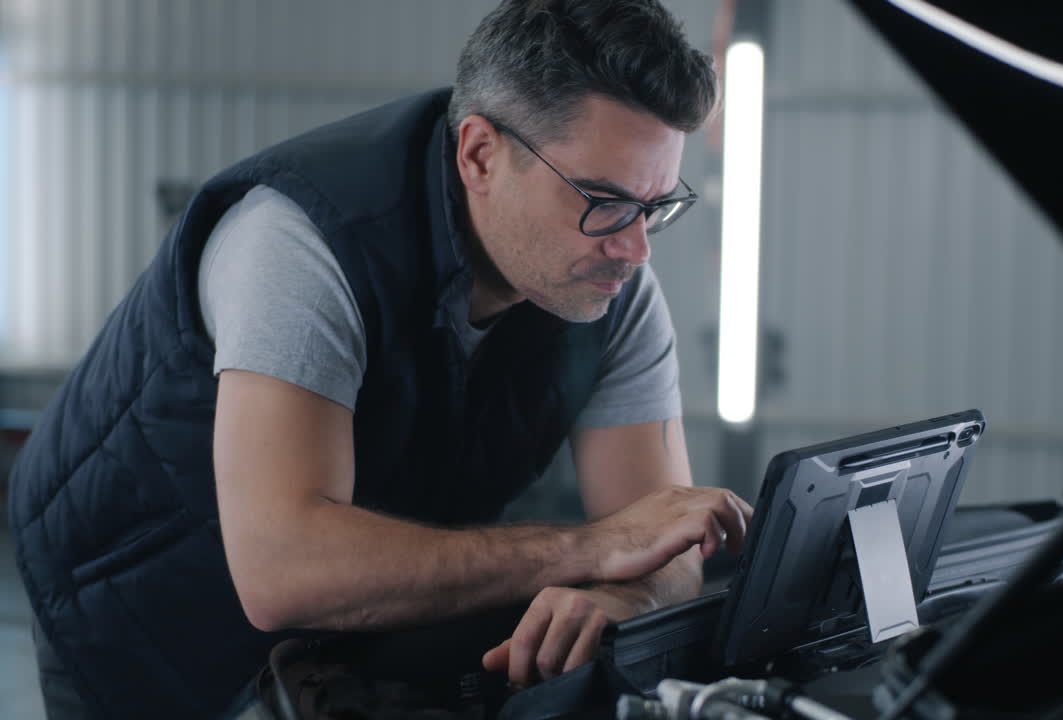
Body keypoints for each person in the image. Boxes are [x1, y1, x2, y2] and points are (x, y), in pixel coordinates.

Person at [6, 1, 753, 717]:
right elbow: (283, 570)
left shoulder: (610, 283)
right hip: (137, 594)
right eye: (603, 199)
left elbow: (658, 533)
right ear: (481, 155)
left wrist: (627, 596)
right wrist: (585, 550)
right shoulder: (302, 244)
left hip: (346, 613)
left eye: (655, 206)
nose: (635, 247)